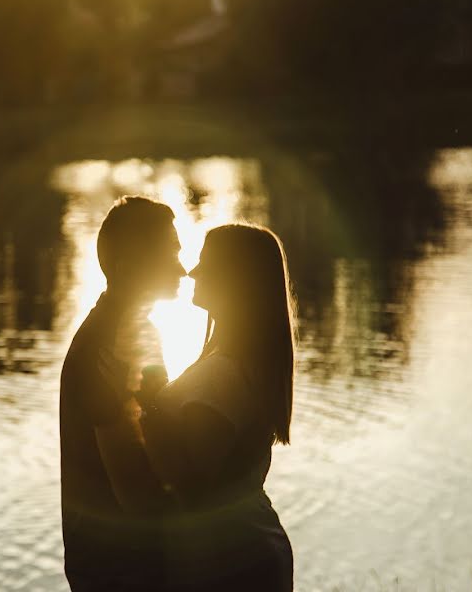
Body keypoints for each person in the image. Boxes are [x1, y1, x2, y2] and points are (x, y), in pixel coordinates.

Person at [99, 223, 296, 592]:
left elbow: (190, 486)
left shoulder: (225, 375)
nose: (192, 271)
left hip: (233, 564)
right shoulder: (231, 358)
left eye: (205, 263)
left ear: (233, 278)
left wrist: (149, 404)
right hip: (236, 552)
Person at [59, 196, 186, 591]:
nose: (182, 269)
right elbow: (132, 481)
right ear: (130, 265)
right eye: (169, 255)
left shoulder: (136, 330)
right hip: (117, 570)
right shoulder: (108, 345)